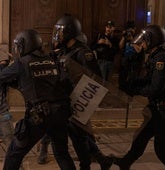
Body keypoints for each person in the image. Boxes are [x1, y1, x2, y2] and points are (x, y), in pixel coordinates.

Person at [37, 14, 113, 170]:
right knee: (78, 135)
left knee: (79, 137)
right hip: (67, 100)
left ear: (70, 32)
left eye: (61, 31)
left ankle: (87, 165)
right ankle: (101, 160)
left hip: (79, 101)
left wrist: (81, 103)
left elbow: (95, 80)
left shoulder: (83, 52)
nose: (58, 34)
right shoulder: (66, 50)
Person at [1, 29, 76, 170]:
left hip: (39, 117)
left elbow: (2, 76)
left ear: (25, 45)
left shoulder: (22, 63)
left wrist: (3, 65)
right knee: (62, 154)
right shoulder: (52, 59)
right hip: (61, 113)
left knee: (14, 153)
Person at [113, 24, 165, 170]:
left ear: (152, 40)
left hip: (164, 109)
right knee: (140, 138)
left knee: (162, 149)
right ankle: (125, 163)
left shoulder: (162, 59)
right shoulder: (155, 55)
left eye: (144, 40)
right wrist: (132, 84)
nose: (142, 43)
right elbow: (149, 79)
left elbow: (156, 88)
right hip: (156, 107)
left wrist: (136, 90)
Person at [118, 20, 145, 90]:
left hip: (134, 63)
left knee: (132, 83)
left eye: (131, 29)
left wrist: (132, 40)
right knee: (122, 82)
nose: (130, 31)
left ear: (134, 29)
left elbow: (139, 50)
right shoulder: (125, 36)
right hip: (125, 63)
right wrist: (124, 37)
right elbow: (120, 46)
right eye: (128, 29)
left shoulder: (139, 37)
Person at [0, 58, 14, 148]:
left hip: (2, 110)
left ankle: (14, 162)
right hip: (2, 110)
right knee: (9, 139)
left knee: (9, 139)